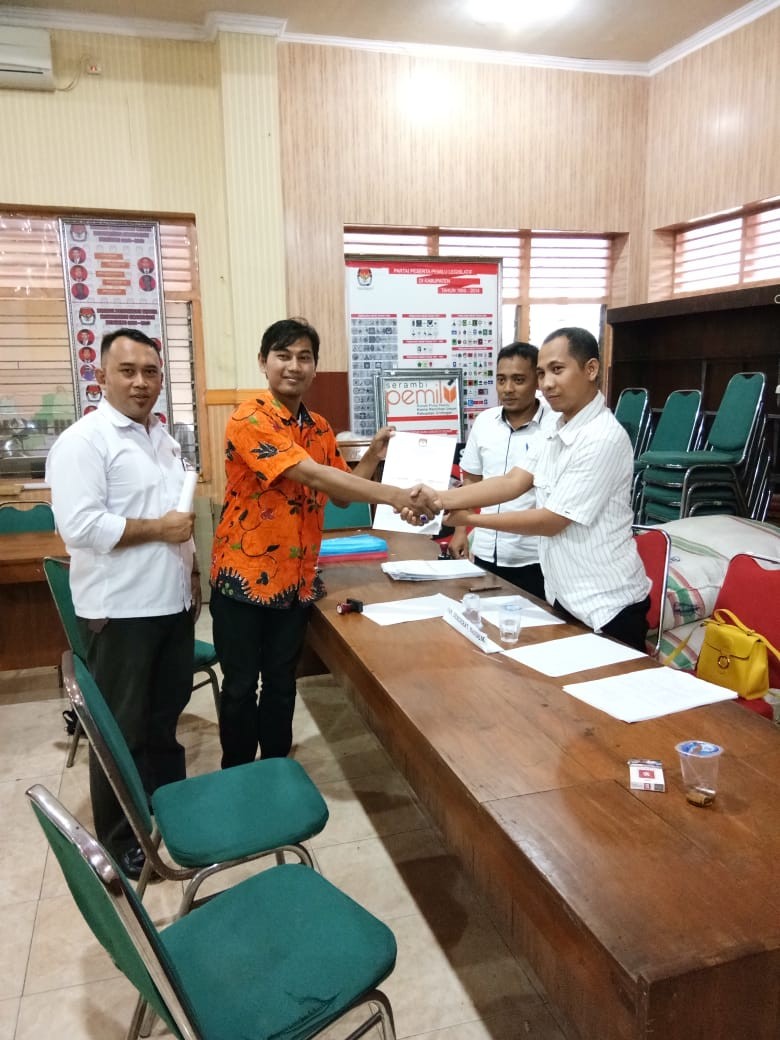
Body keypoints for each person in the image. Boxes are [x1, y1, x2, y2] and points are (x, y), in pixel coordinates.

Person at [210, 317, 420, 768]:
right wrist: (395, 496)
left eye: (304, 357)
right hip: (242, 577)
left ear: (315, 367)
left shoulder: (319, 427)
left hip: (297, 580)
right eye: (283, 356)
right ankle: (238, 774)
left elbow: (340, 492)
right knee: (241, 686)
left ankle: (276, 767)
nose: (294, 366)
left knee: (282, 681)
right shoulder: (251, 417)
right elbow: (310, 474)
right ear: (263, 362)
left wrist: (372, 455)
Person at [47, 327, 198, 880]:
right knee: (122, 733)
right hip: (122, 613)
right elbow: (80, 527)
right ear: (101, 376)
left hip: (170, 604)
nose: (140, 382)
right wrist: (159, 529)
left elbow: (180, 517)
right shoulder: (84, 442)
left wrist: (191, 574)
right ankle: (120, 840)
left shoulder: (162, 438)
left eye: (150, 372)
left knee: (163, 721)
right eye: (127, 371)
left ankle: (170, 817)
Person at [405, 327, 651, 650]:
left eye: (557, 370)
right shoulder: (556, 428)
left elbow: (551, 521)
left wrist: (470, 519)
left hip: (608, 607)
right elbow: (513, 482)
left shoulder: (601, 438)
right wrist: (438, 498)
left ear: (591, 369)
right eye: (542, 373)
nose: (547, 383)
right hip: (566, 597)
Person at [449, 342, 555, 599]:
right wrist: (460, 531)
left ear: (537, 381)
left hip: (534, 556)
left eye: (518, 380)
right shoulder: (485, 421)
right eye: (501, 379)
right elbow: (471, 482)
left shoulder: (554, 425)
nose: (507, 389)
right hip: (486, 549)